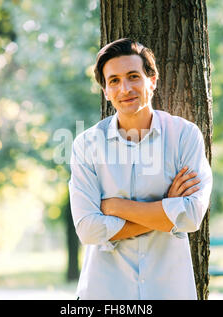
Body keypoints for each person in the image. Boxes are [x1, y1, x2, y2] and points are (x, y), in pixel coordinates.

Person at [68, 38, 213, 300]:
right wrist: (165, 211)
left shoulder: (184, 136)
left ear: (152, 80)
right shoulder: (86, 145)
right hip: (105, 292)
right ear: (106, 91)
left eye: (133, 76)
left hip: (169, 290)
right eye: (114, 80)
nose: (125, 88)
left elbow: (190, 216)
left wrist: (113, 207)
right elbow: (88, 230)